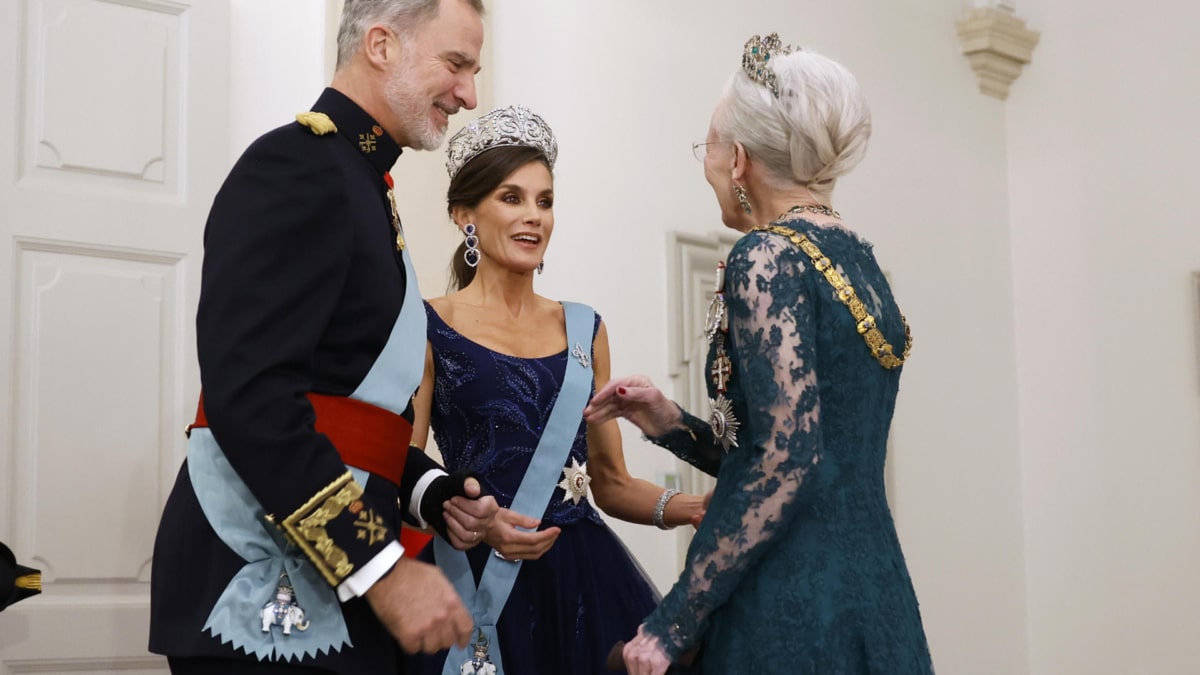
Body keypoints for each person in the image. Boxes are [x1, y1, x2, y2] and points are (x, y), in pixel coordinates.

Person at [148, 1, 501, 673]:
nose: (469, 93)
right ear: (380, 46)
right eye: (455, 64)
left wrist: (433, 493)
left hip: (330, 582)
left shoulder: (360, 180)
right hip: (261, 586)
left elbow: (352, 416)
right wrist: (381, 568)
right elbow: (252, 398)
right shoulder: (297, 166)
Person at [584, 34, 935, 675]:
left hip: (791, 600)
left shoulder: (766, 256)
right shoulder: (859, 258)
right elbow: (809, 457)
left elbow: (788, 461)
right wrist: (671, 425)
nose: (708, 164)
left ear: (739, 161)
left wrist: (671, 624)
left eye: (709, 149)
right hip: (875, 589)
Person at [402, 105, 707, 675]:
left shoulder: (584, 327)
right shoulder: (425, 324)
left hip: (582, 586)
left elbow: (610, 483)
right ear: (464, 214)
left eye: (545, 201)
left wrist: (692, 508)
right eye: (511, 198)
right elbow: (403, 463)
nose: (534, 217)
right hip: (471, 575)